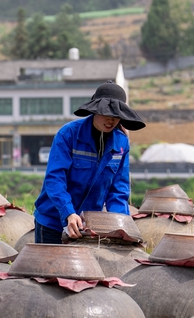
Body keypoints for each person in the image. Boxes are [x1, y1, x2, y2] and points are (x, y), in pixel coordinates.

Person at [33, 81, 146, 244]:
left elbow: (118, 190)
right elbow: (55, 179)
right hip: (53, 222)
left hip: (88, 227)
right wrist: (68, 213)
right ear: (95, 110)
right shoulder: (68, 134)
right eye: (106, 113)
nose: (111, 120)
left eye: (116, 116)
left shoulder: (121, 143)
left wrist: (122, 226)